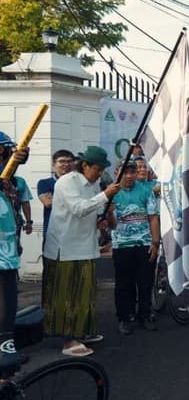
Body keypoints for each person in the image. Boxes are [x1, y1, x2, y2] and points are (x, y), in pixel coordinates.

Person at [43, 145, 120, 357]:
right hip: (66, 248)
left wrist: (103, 216)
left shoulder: (93, 185)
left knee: (85, 294)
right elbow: (78, 208)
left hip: (86, 246)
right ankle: (68, 340)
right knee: (69, 295)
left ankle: (81, 332)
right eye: (97, 169)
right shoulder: (67, 182)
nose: (100, 173)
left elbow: (93, 209)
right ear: (85, 165)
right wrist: (105, 195)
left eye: (102, 169)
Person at [107, 159, 160, 334]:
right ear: (117, 173)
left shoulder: (145, 191)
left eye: (132, 172)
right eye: (125, 172)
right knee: (123, 285)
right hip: (121, 246)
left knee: (145, 283)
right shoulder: (111, 192)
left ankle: (145, 315)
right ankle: (125, 317)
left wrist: (155, 243)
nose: (129, 176)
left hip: (144, 244)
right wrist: (109, 212)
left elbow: (153, 218)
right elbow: (112, 225)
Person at [0, 138, 29, 374]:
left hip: (7, 256)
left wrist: (17, 160)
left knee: (9, 306)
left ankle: (6, 348)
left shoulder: (8, 185)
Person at [37, 149, 75, 238]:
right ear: (54, 164)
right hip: (53, 233)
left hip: (73, 233)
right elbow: (48, 203)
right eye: (62, 161)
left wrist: (55, 198)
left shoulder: (79, 184)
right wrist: (74, 201)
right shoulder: (45, 183)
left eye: (69, 161)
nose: (66, 164)